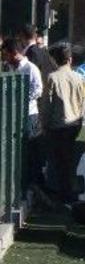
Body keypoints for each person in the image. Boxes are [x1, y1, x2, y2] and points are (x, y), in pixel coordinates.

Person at [44, 43, 85, 202]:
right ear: (70, 59)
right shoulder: (79, 77)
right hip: (74, 124)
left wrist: (45, 123)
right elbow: (83, 103)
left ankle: (62, 193)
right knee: (70, 160)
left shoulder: (52, 77)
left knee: (58, 161)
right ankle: (71, 191)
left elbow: (47, 104)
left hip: (57, 125)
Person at [1, 38, 43, 191]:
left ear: (14, 53)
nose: (4, 58)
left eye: (6, 54)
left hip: (29, 115)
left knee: (30, 150)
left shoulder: (31, 69)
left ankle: (33, 185)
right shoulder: (10, 68)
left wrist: (22, 98)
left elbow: (38, 90)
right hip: (13, 115)